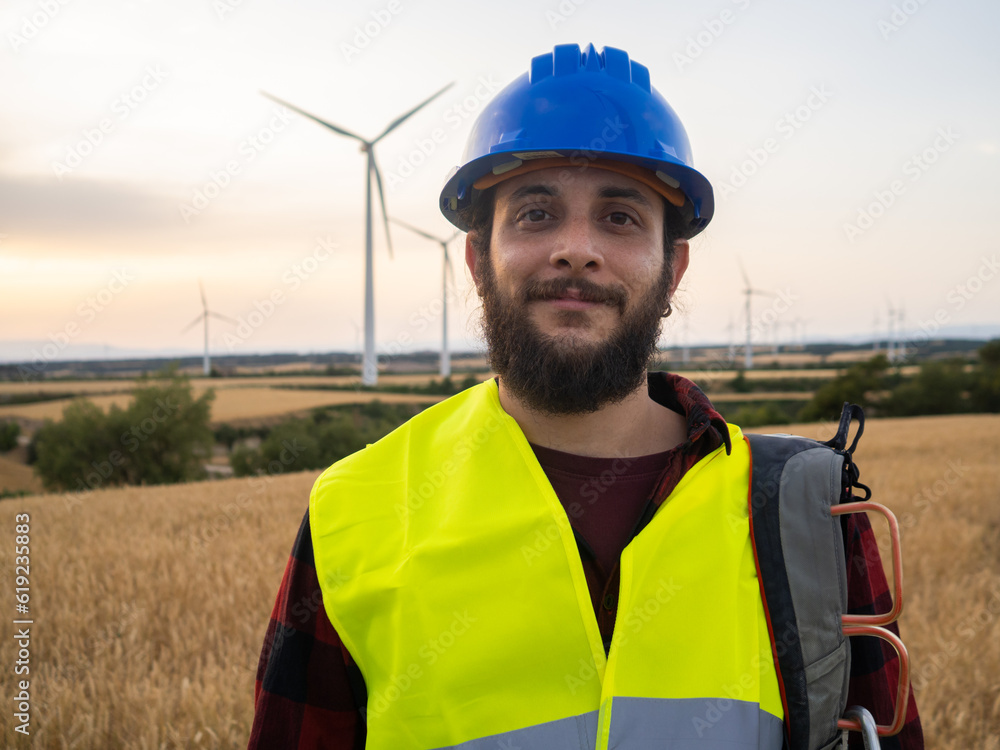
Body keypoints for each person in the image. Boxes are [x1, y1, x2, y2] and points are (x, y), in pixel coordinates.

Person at [248, 43, 922, 749]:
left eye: (620, 218)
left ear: (673, 268)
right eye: (536, 215)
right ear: (478, 261)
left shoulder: (807, 514)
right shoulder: (355, 513)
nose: (576, 249)